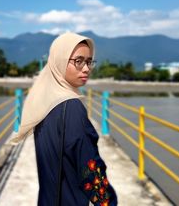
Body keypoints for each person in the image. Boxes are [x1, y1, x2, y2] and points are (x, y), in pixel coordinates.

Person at [12, 32, 118, 206]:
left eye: (89, 61)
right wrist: (108, 202)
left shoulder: (44, 101)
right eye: (78, 61)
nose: (86, 68)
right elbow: (90, 170)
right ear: (60, 62)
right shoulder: (71, 108)